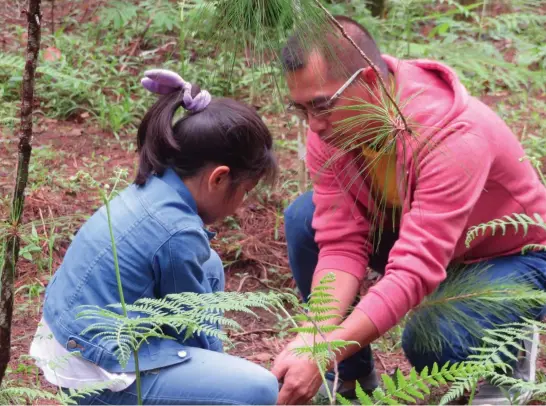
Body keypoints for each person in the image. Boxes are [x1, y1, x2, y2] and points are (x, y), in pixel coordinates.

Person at [272, 15, 546, 405]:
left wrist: (327, 348)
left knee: (431, 340)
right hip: (427, 236)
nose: (314, 126)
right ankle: (352, 381)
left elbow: (414, 268)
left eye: (321, 106)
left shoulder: (453, 137)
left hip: (511, 256)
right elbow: (341, 244)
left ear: (368, 81)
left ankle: (508, 347)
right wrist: (313, 337)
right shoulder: (333, 127)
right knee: (304, 221)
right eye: (301, 110)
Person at [29, 69, 280, 405]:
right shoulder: (177, 231)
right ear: (219, 179)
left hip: (73, 338)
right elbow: (192, 327)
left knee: (211, 265)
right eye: (245, 190)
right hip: (95, 369)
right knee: (258, 389)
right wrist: (223, 376)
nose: (243, 203)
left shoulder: (152, 188)